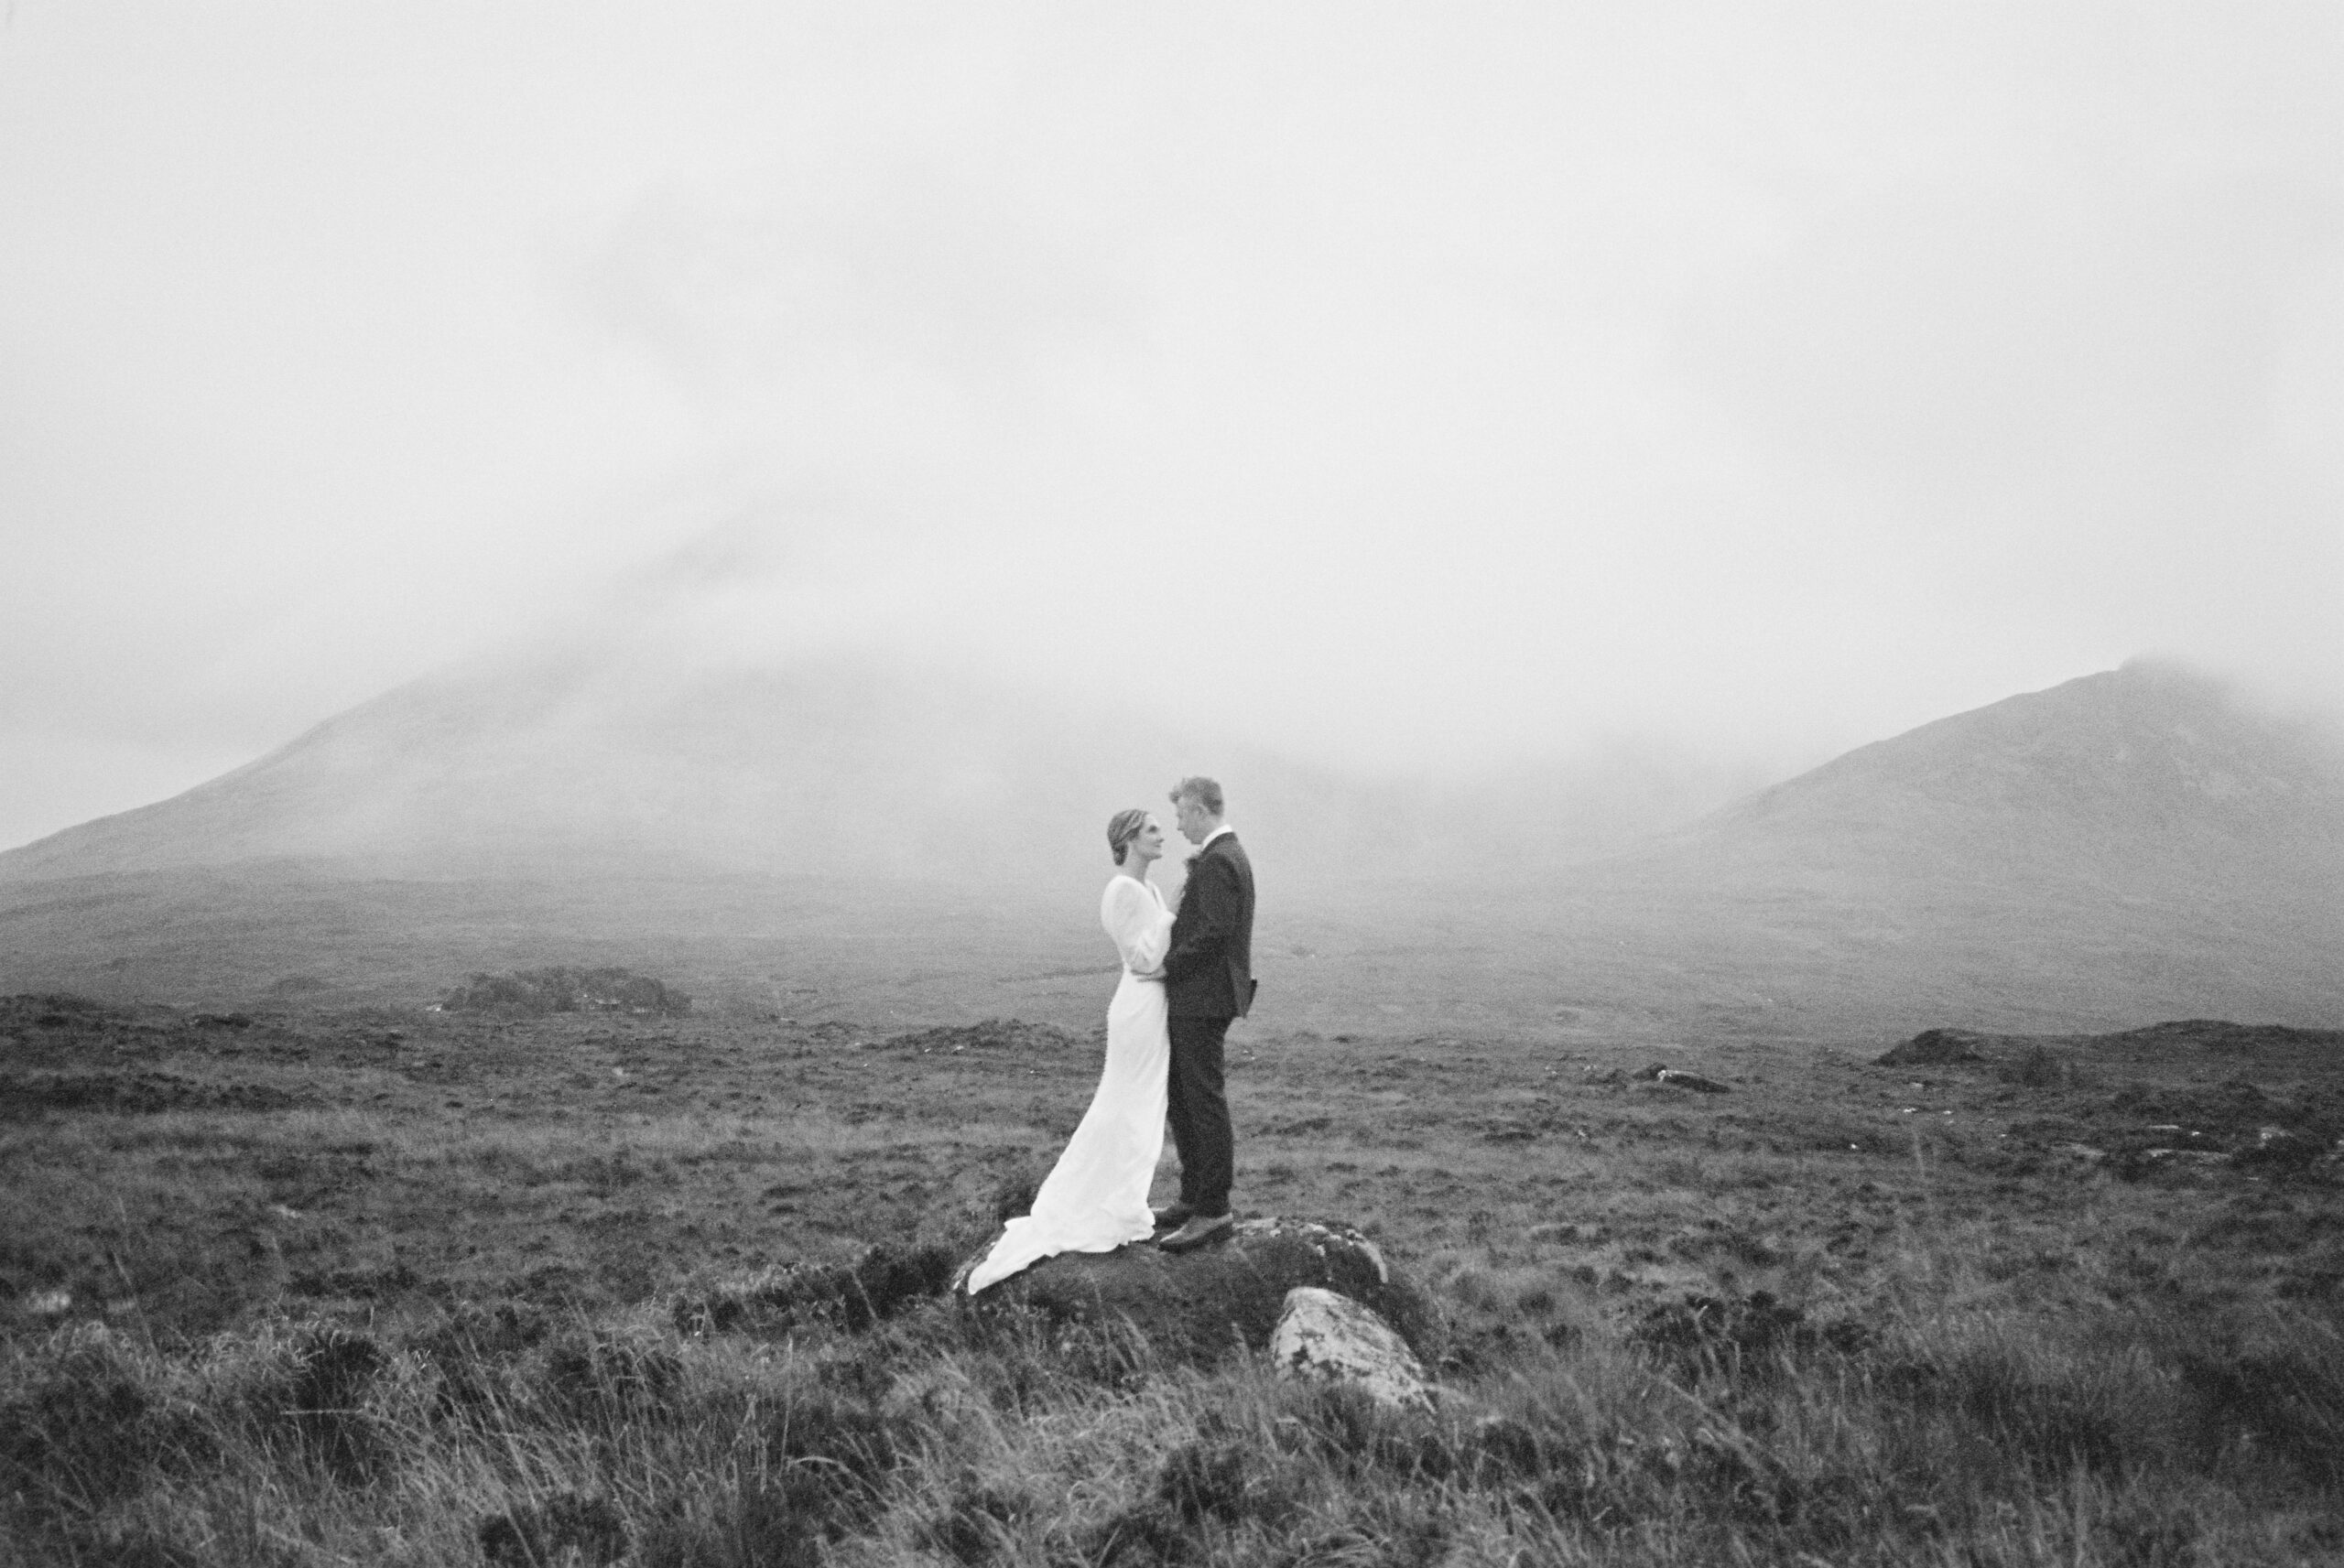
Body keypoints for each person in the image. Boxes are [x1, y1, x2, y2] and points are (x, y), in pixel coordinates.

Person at [963, 807, 1177, 1293]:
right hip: (1139, 1009)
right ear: (1128, 840)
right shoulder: (1121, 891)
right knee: (1124, 1103)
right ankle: (1094, 1203)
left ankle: (1126, 1201)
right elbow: (1143, 961)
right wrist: (1170, 916)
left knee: (1144, 1105)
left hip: (1156, 1006)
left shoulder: (1151, 890)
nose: (1162, 834)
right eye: (1151, 830)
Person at [1153, 775, 1255, 1254]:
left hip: (1203, 998)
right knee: (1185, 1096)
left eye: (1180, 816)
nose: (1177, 826)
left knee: (1202, 1099)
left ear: (1198, 810)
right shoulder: (1226, 856)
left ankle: (1213, 1210)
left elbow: (1214, 931)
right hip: (1203, 997)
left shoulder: (1219, 861)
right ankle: (1194, 1198)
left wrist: (1165, 965)